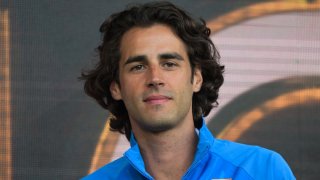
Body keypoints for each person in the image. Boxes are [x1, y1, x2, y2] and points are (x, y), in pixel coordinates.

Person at [81, 1, 295, 179]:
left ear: (196, 78)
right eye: (138, 67)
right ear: (116, 87)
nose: (155, 78)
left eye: (169, 64)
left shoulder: (263, 170)